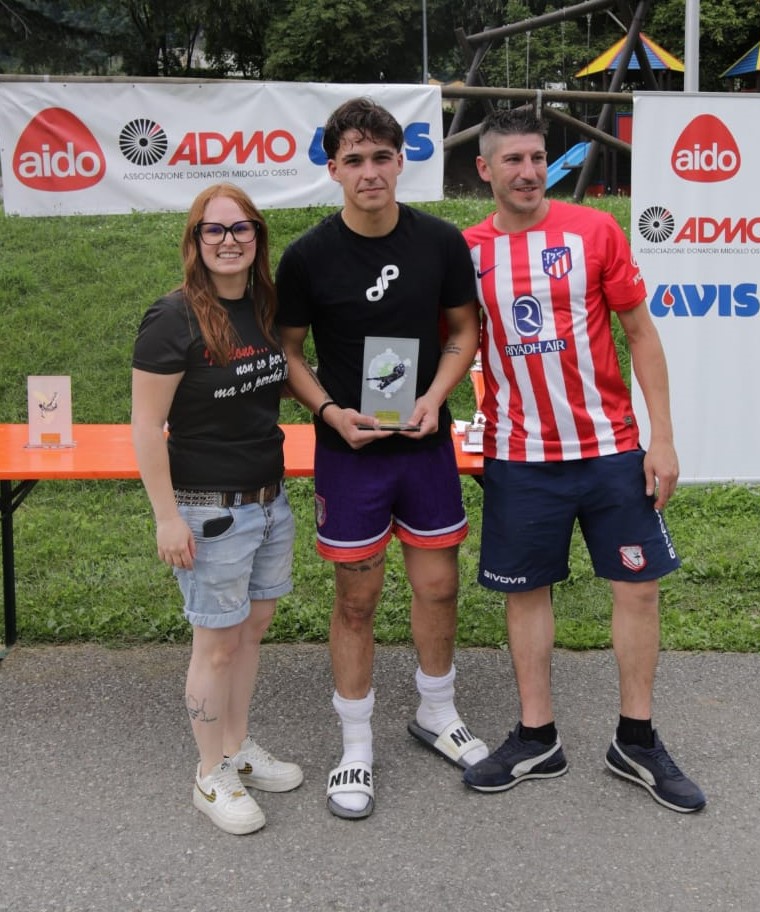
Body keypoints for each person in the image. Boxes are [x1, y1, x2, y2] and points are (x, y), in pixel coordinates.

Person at [460, 108, 706, 813]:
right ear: (485, 169)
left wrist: (662, 438)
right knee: (525, 592)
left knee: (638, 589)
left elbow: (641, 334)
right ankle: (537, 737)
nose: (528, 172)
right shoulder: (465, 250)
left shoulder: (594, 230)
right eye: (513, 160)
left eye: (537, 158)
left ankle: (636, 740)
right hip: (519, 455)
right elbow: (454, 342)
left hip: (609, 451)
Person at [275, 97, 488, 819]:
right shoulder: (308, 256)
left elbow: (462, 332)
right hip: (351, 452)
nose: (369, 172)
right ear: (333, 169)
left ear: (401, 162)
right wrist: (328, 411)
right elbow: (288, 351)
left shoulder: (441, 242)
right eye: (354, 160)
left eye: (381, 157)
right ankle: (356, 743)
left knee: (438, 585)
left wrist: (434, 395)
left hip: (424, 445)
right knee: (356, 599)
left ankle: (437, 711)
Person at [131, 183, 303, 835]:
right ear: (196, 240)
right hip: (209, 511)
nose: (229, 240)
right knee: (216, 645)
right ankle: (210, 775)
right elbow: (146, 426)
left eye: (241, 228)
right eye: (215, 229)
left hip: (268, 500)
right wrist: (166, 516)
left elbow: (277, 379)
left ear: (257, 237)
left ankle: (236, 748)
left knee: (252, 628)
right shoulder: (172, 317)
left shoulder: (263, 307)